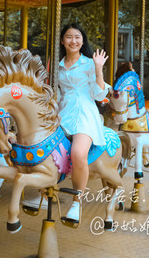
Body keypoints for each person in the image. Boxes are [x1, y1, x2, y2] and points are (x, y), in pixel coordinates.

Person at [58, 23, 110, 223]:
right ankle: (44, 191)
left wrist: (98, 68)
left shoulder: (89, 63)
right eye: (69, 37)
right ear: (62, 41)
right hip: (62, 114)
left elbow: (99, 94)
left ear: (82, 41)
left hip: (84, 115)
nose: (73, 41)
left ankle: (77, 201)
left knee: (78, 153)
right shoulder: (57, 65)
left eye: (77, 37)